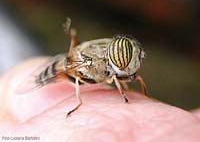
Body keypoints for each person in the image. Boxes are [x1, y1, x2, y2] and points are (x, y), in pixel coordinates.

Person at [0, 58, 200, 142]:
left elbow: (118, 74)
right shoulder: (98, 65)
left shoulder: (115, 68)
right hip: (70, 67)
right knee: (74, 74)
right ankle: (79, 102)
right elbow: (80, 71)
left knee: (135, 78)